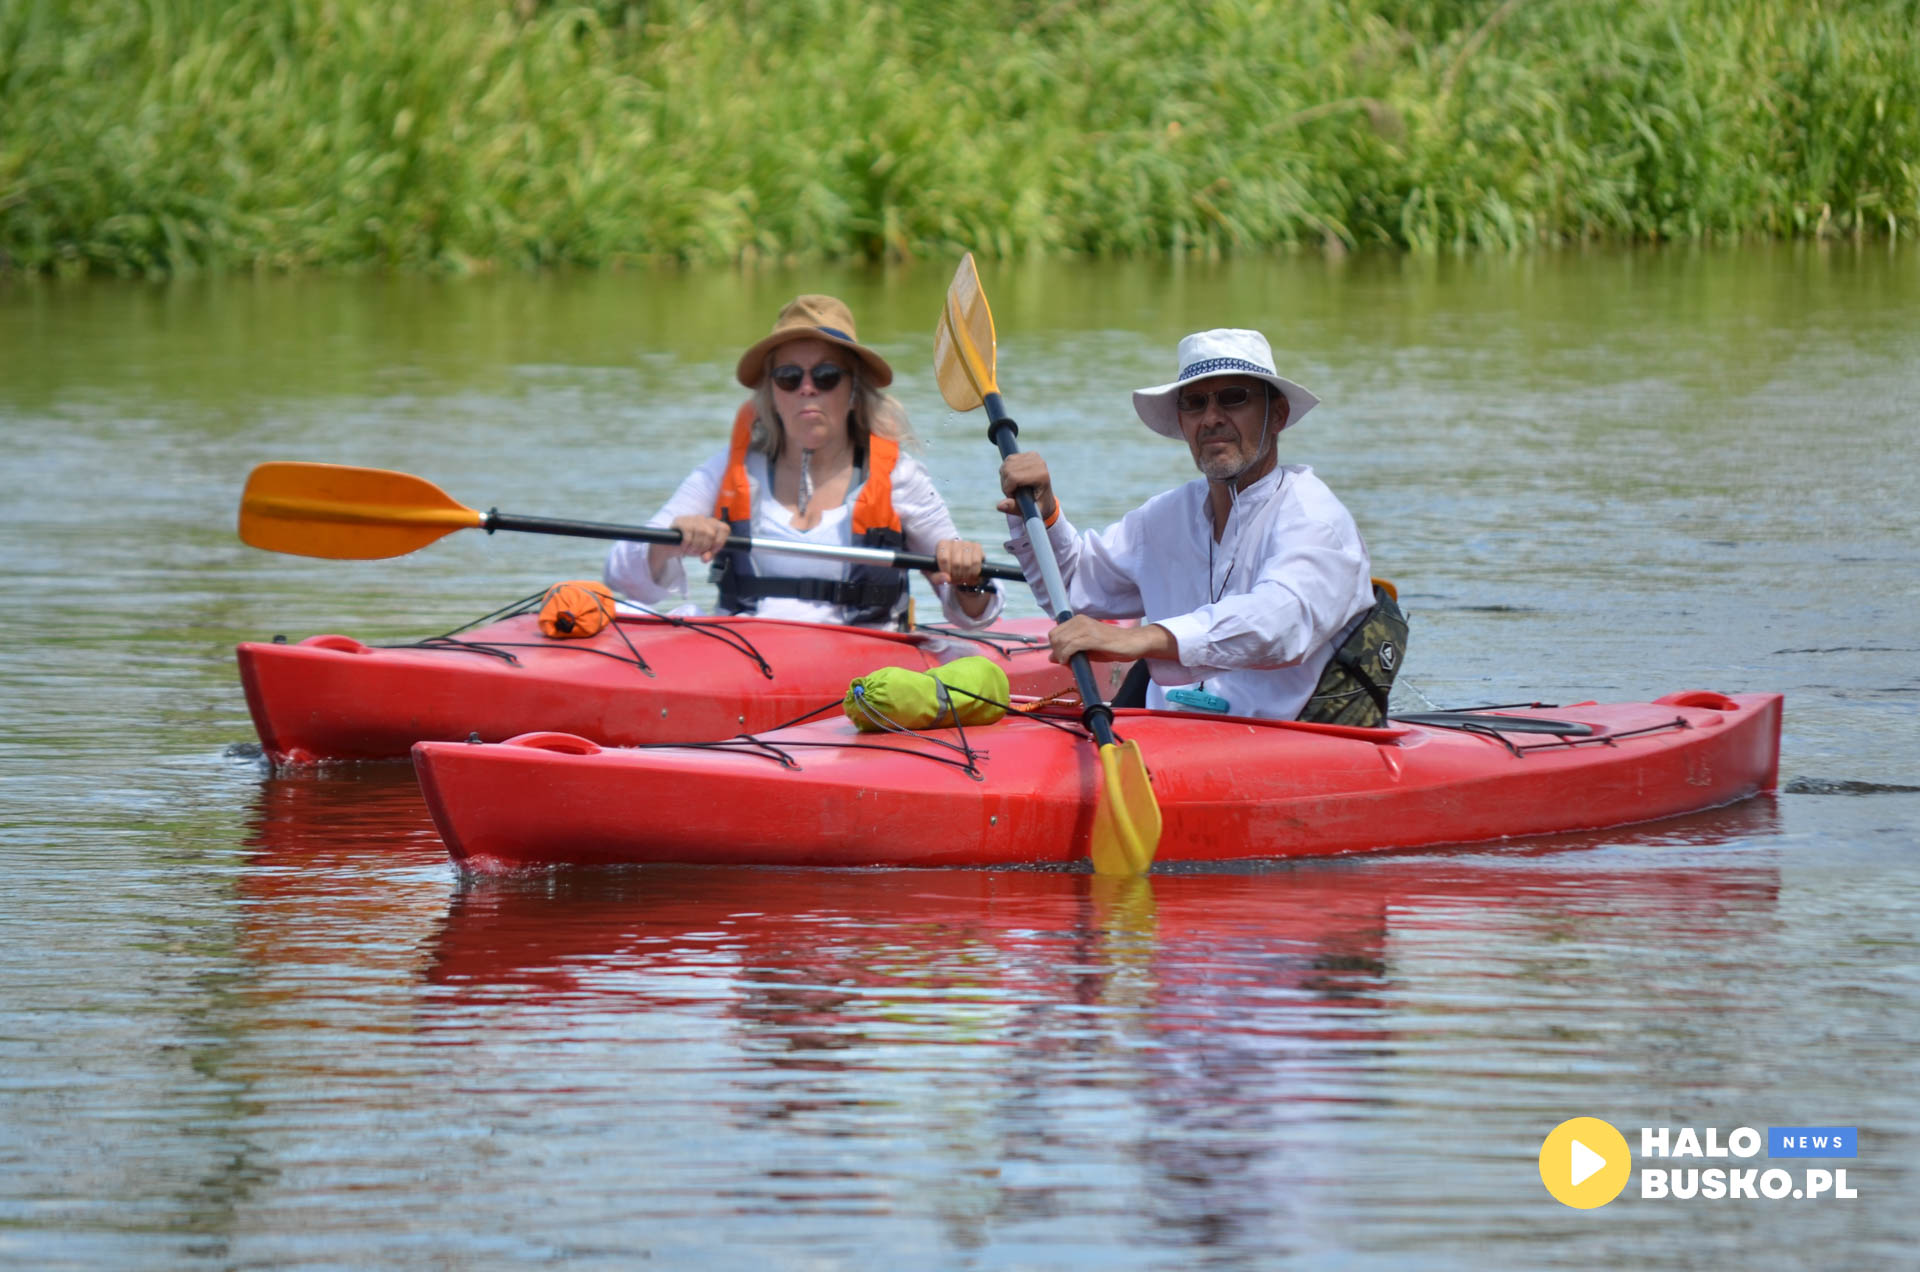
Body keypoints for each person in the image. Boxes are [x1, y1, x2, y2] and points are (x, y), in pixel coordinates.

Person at [997, 328, 1399, 723]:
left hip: (1281, 747)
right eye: (1194, 403)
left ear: (1276, 415)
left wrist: (1140, 639)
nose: (1211, 419)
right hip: (1164, 739)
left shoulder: (1315, 517)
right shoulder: (1166, 515)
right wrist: (1043, 513)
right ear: (1183, 420)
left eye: (1233, 398)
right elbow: (1073, 586)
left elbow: (1279, 621)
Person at [607, 295, 1001, 629]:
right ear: (772, 393)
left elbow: (976, 616)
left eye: (827, 375)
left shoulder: (901, 478)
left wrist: (970, 578)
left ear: (852, 390)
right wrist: (672, 540)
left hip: (862, 670)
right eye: (789, 376)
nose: (807, 389)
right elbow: (621, 576)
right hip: (743, 657)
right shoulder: (726, 471)